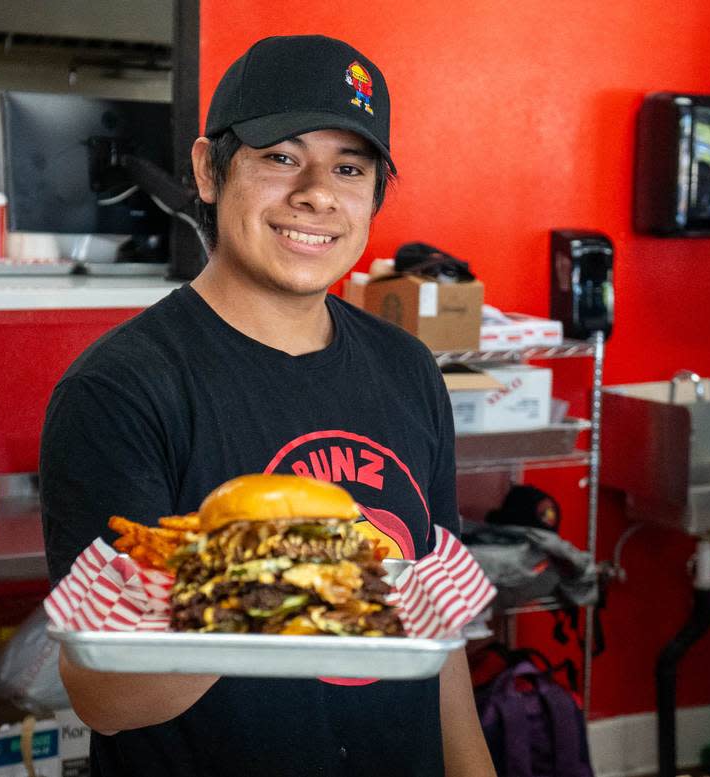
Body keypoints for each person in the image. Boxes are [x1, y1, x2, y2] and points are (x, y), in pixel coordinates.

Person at [40, 34, 495, 777]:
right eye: (281, 157)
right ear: (208, 170)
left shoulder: (408, 369)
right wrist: (283, 580)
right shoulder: (119, 390)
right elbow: (103, 697)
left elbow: (433, 641)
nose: (317, 192)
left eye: (349, 167)